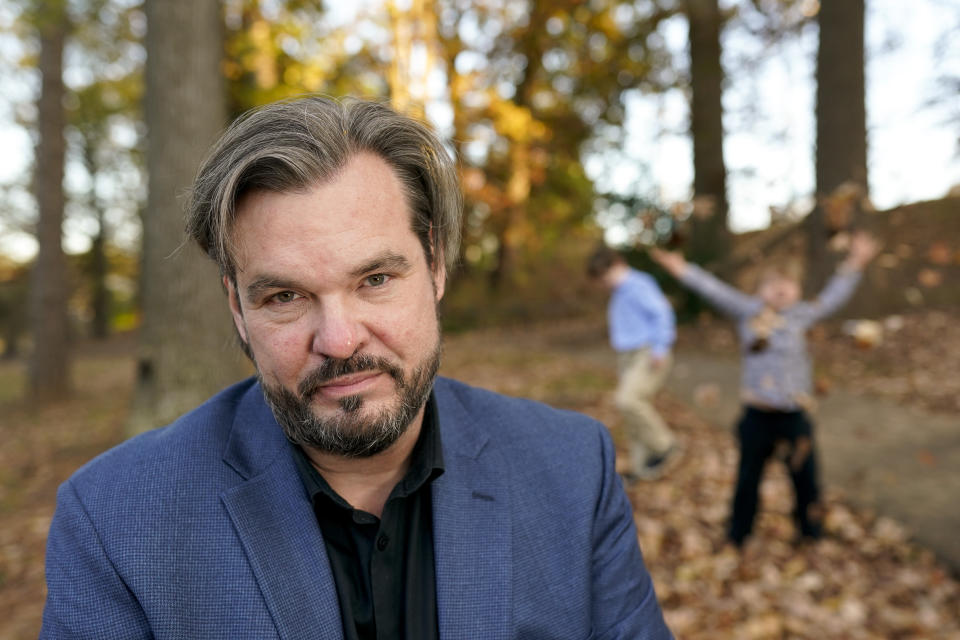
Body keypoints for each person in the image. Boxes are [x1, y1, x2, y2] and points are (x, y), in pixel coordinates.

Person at [41, 97, 673, 640]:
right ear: (237, 308)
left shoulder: (570, 469)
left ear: (436, 267)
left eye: (374, 279)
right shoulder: (117, 521)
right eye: (284, 297)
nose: (339, 341)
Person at [651, 232, 879, 547]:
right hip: (757, 415)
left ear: (798, 291)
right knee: (747, 480)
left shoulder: (804, 315)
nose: (780, 290)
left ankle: (810, 533)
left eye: (786, 284)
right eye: (771, 284)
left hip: (794, 416)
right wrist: (682, 269)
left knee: (806, 479)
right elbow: (715, 291)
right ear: (759, 292)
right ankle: (737, 535)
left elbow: (833, 295)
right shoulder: (749, 313)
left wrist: (854, 262)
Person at [588, 246, 679, 481]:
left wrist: (660, 347)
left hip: (646, 352)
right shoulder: (620, 291)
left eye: (605, 277)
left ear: (618, 265)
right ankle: (641, 468)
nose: (604, 284)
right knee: (632, 414)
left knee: (627, 400)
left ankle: (665, 445)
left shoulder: (638, 285)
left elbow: (662, 313)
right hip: (628, 356)